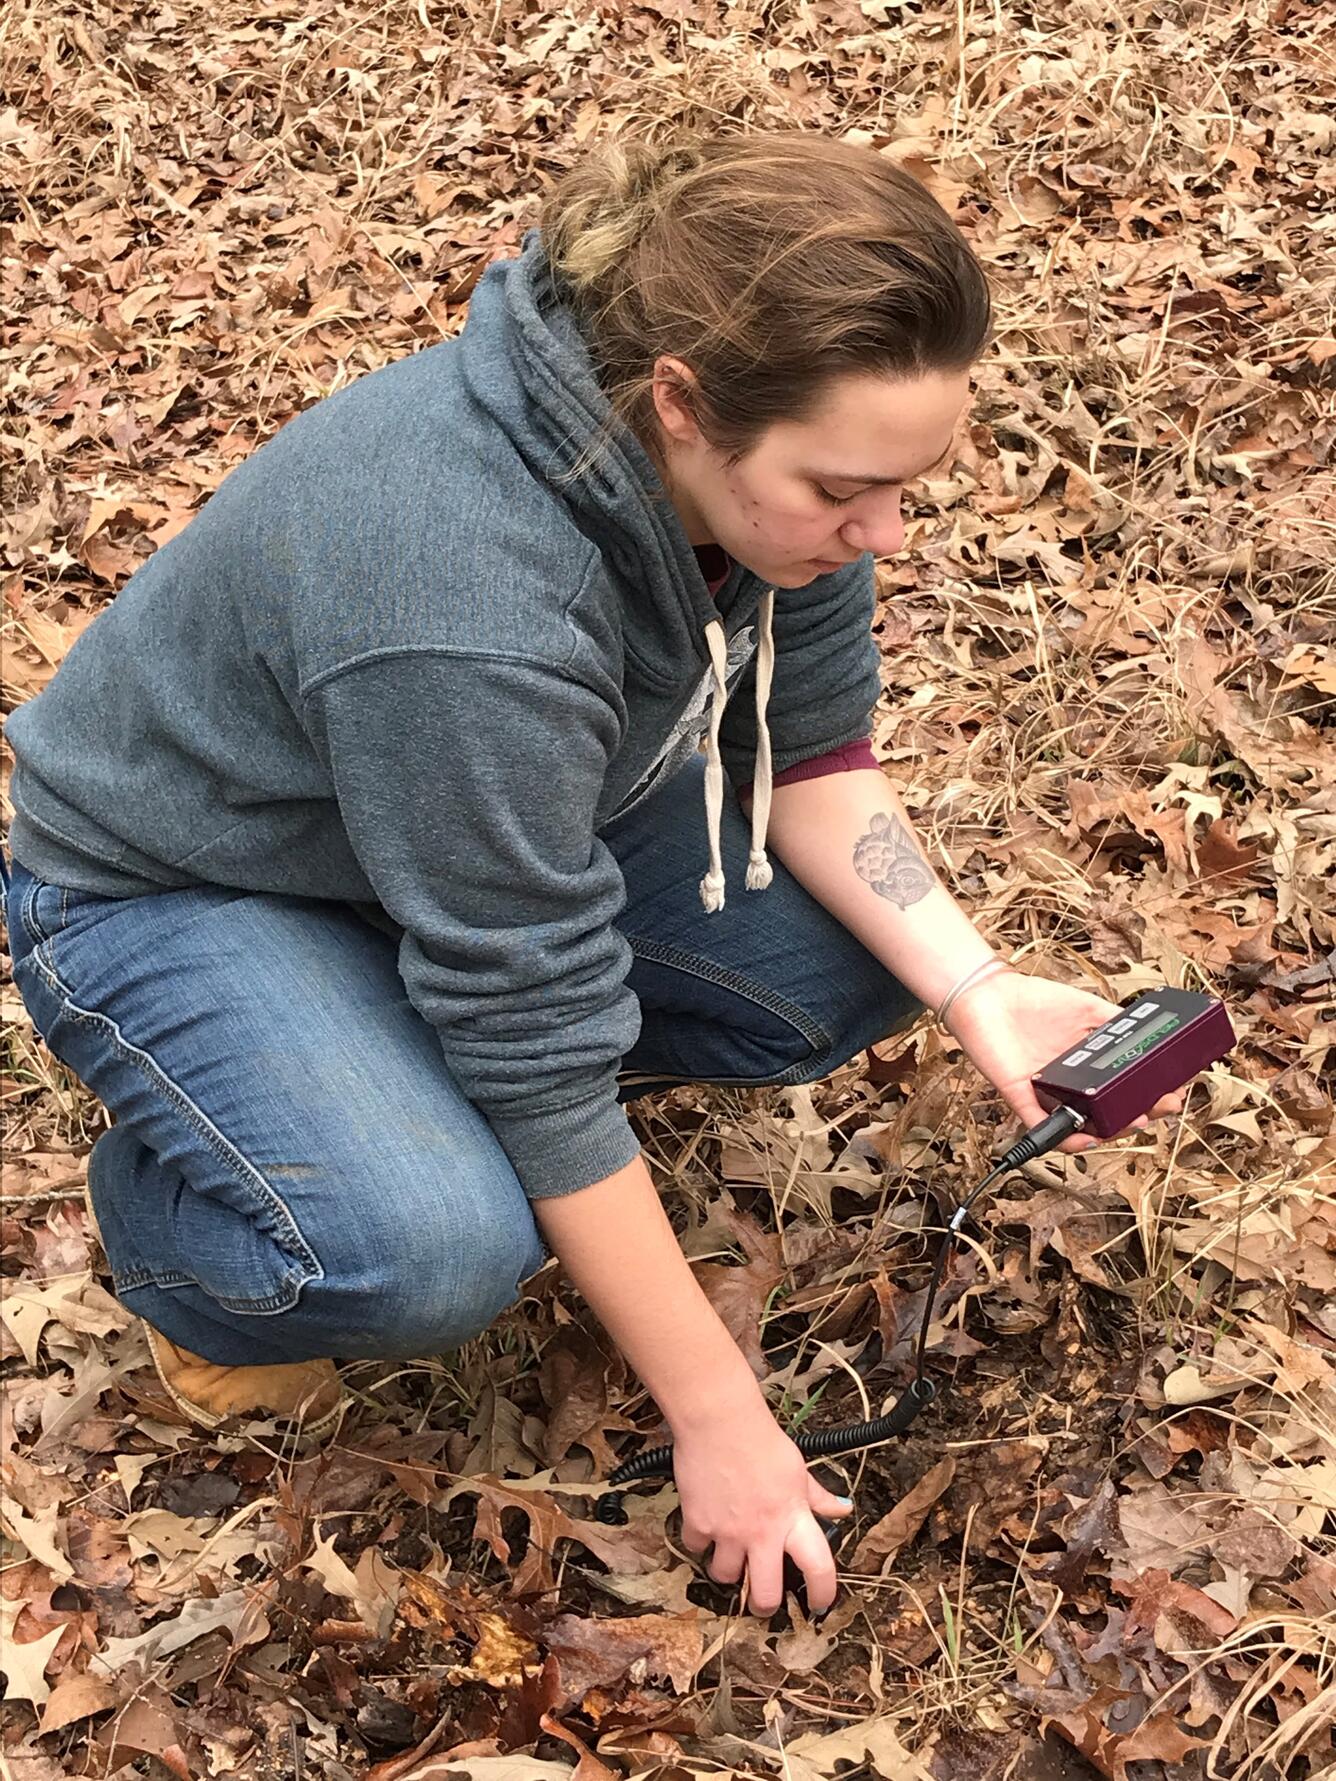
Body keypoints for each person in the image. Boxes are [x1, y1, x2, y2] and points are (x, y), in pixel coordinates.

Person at [4, 132, 1183, 1618]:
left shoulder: (782, 480)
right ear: (682, 401)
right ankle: (179, 1211)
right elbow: (537, 1028)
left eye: (904, 485)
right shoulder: (466, 595)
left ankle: (391, 1066)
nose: (884, 530)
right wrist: (720, 1416)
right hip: (186, 884)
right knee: (431, 1250)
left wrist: (979, 983)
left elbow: (812, 759)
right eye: (845, 491)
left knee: (864, 955)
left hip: (459, 836)